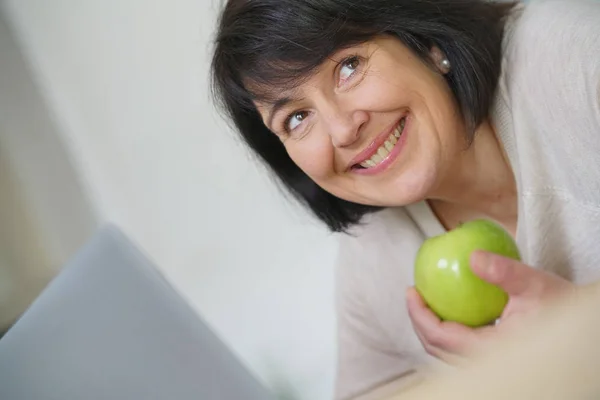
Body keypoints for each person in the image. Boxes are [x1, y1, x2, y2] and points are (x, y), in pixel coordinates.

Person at [210, 0, 600, 399]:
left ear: (425, 39)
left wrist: (576, 331)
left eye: (348, 67)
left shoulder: (575, 59)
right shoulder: (371, 263)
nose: (342, 130)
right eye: (296, 118)